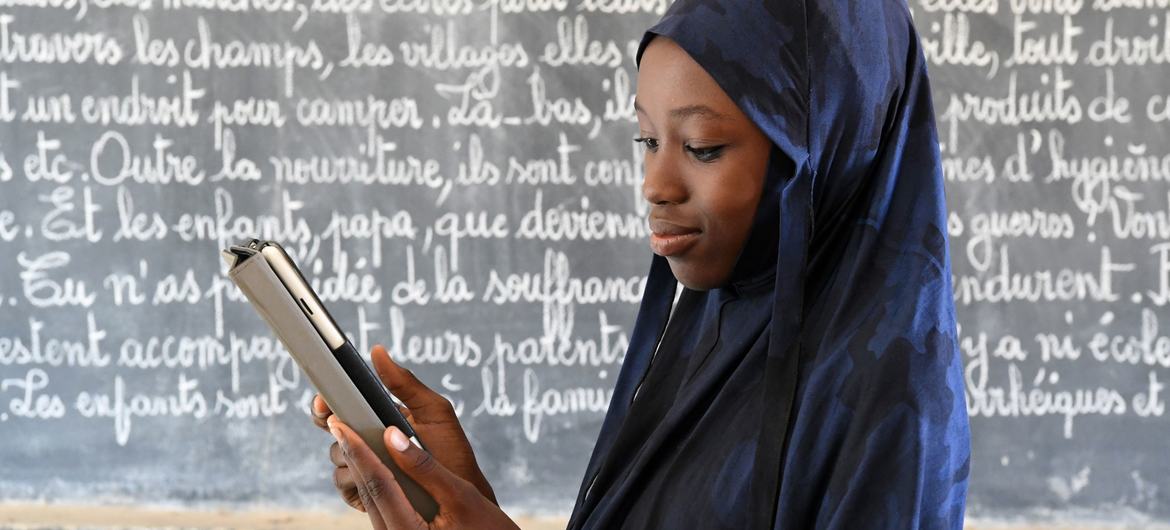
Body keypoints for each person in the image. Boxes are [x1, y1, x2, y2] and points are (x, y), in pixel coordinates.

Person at [311, 0, 972, 527]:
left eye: (703, 147)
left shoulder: (890, 399)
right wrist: (460, 496)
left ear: (830, 148)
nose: (655, 185)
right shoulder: (720, 322)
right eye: (648, 140)